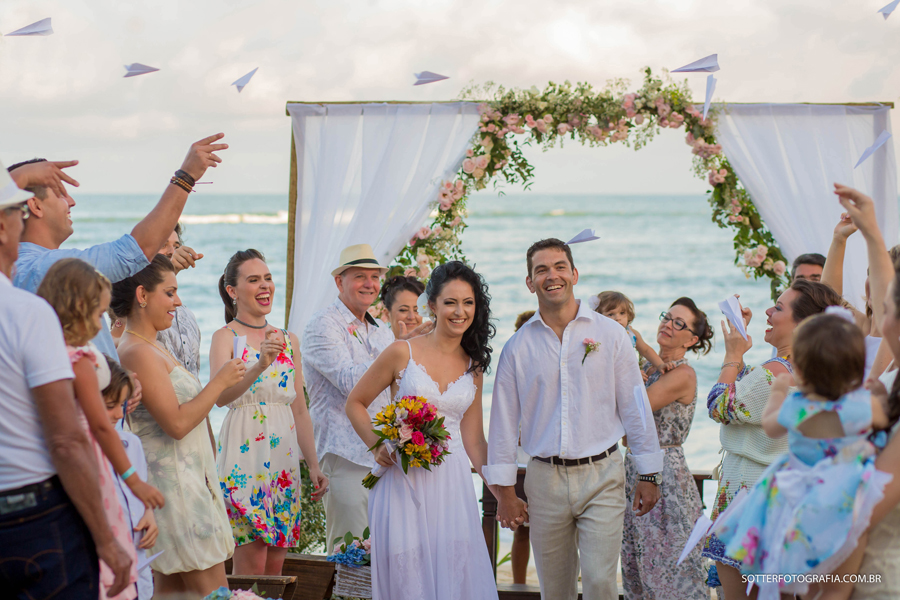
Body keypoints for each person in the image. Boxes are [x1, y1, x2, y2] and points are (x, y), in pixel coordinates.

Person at [486, 238, 662, 600]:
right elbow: (503, 422)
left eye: (559, 267)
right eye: (541, 270)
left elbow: (635, 406)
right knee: (556, 589)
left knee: (599, 581)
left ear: (574, 274)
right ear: (529, 282)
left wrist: (649, 472)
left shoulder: (611, 335)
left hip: (602, 474)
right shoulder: (517, 348)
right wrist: (503, 491)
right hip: (543, 479)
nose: (552, 276)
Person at [0, 158, 132, 599]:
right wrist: (106, 538)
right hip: (30, 511)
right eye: (17, 216)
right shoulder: (25, 313)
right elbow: (66, 440)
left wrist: (18, 180)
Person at [346, 260, 499, 600]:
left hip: (453, 487)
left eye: (468, 302)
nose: (460, 311)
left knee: (456, 577)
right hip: (403, 483)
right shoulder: (403, 351)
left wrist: (503, 494)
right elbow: (354, 403)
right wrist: (377, 445)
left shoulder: (473, 365)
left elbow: (474, 440)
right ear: (432, 305)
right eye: (450, 302)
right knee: (407, 579)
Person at [711, 312, 889, 600]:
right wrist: (877, 393)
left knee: (796, 582)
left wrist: (780, 392)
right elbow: (882, 419)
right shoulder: (859, 407)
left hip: (798, 501)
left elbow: (771, 427)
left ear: (801, 371)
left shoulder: (796, 405)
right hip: (845, 497)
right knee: (837, 587)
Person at [11, 134, 227, 359]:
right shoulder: (41, 268)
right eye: (60, 194)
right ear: (34, 206)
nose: (71, 201)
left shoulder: (24, 269)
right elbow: (134, 251)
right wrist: (186, 177)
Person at [37, 259, 170, 600]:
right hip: (94, 459)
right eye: (97, 314)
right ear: (79, 310)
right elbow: (100, 423)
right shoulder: (79, 357)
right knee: (111, 543)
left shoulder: (42, 350)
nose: (100, 325)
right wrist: (134, 481)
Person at [113, 255, 245, 596]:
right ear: (142, 295)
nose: (178, 301)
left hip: (183, 489)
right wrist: (219, 383)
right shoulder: (138, 352)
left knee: (172, 594)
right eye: (170, 293)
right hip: (175, 495)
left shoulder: (152, 346)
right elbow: (175, 423)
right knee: (214, 594)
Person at [703, 279, 843, 599]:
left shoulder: (774, 373)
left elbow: (719, 405)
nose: (768, 311)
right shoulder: (816, 374)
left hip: (746, 500)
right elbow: (745, 397)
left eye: (778, 307)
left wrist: (732, 353)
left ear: (802, 324)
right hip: (783, 501)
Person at [303, 244, 430, 552]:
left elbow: (395, 389)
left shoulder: (381, 331)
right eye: (360, 276)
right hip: (345, 455)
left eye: (374, 277)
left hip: (383, 456)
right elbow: (350, 381)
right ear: (339, 282)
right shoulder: (323, 325)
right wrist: (398, 349)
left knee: (384, 554)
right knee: (349, 553)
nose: (370, 284)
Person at [210, 249, 328, 575]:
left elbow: (300, 408)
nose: (265, 286)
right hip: (244, 458)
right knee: (250, 565)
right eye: (253, 280)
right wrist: (259, 365)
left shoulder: (288, 339)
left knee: (275, 567)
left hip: (283, 461)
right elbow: (220, 398)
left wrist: (314, 465)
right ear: (232, 291)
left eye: (267, 278)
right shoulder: (226, 337)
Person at [621, 297, 713, 600]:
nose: (667, 324)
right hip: (632, 467)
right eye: (666, 317)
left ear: (692, 339)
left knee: (670, 563)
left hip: (665, 473)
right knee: (637, 562)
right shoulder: (648, 366)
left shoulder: (683, 374)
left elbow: (636, 409)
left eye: (678, 323)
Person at [103, 357, 159, 600]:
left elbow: (139, 498)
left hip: (138, 564)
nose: (118, 414)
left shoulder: (131, 443)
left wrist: (148, 515)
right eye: (109, 405)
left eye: (123, 405)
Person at [590, 290, 672, 375]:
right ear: (599, 316)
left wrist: (660, 365)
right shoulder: (602, 337)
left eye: (622, 313)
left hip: (629, 374)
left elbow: (646, 350)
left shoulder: (632, 334)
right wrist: (631, 373)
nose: (618, 318)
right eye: (610, 314)